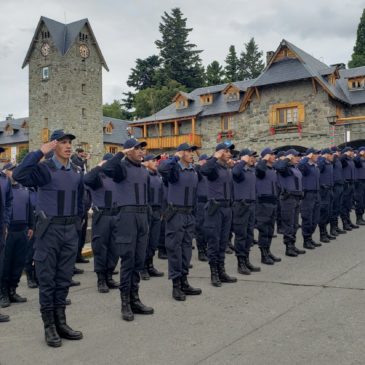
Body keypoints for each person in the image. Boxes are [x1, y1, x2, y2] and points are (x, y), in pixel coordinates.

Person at [12, 130, 84, 347]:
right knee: (48, 280)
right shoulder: (44, 169)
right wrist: (38, 153)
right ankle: (49, 327)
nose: (68, 146)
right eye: (63, 142)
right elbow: (19, 175)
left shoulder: (77, 170)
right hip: (49, 232)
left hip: (69, 231)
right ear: (54, 146)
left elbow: (80, 199)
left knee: (63, 279)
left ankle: (61, 323)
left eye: (70, 142)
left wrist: (77, 222)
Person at [101, 139, 154, 321]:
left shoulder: (143, 170)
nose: (141, 151)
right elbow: (107, 169)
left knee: (139, 260)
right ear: (128, 151)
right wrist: (121, 153)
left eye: (142, 149)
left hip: (142, 216)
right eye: (137, 149)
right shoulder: (121, 167)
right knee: (128, 260)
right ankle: (125, 303)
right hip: (126, 217)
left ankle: (135, 299)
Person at [158, 143, 202, 300]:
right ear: (181, 153)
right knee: (175, 250)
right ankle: (176, 286)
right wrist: (175, 157)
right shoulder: (174, 170)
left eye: (192, 151)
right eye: (188, 151)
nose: (192, 154)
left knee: (186, 250)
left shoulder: (193, 171)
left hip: (189, 214)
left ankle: (184, 281)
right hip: (175, 214)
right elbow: (162, 169)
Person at [201, 141, 237, 287]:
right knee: (214, 242)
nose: (230, 154)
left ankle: (221, 271)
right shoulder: (213, 167)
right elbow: (204, 170)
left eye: (230, 151)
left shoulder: (226, 168)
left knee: (223, 242)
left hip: (227, 208)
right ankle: (214, 273)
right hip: (215, 209)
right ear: (220, 152)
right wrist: (214, 157)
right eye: (227, 151)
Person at [83, 153, 119, 293]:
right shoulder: (97, 178)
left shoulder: (116, 177)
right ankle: (101, 279)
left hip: (116, 215)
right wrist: (99, 167)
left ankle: (109, 276)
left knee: (114, 249)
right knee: (101, 248)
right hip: (102, 215)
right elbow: (87, 179)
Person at [0, 163, 33, 307]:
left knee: (19, 263)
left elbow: (29, 208)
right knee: (5, 265)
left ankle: (13, 290)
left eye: (15, 171)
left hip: (22, 230)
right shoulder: (4, 188)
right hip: (8, 231)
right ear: (6, 172)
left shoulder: (24, 188)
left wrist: (31, 226)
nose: (13, 173)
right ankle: (3, 294)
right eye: (10, 171)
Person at [232, 149, 261, 275]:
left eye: (254, 157)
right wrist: (242, 161)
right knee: (241, 235)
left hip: (251, 205)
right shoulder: (239, 170)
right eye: (251, 157)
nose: (253, 159)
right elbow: (235, 171)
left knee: (249, 235)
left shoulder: (252, 170)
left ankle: (247, 259)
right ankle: (240, 263)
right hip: (241, 205)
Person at [275, 149, 305, 257]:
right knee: (288, 224)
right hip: (288, 198)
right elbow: (279, 167)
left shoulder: (295, 168)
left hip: (296, 198)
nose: (299, 158)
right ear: (291, 157)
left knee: (295, 224)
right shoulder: (284, 168)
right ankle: (288, 247)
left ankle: (292, 245)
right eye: (296, 156)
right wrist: (287, 158)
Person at [255, 148, 281, 264]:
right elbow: (259, 169)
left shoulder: (272, 169)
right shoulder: (261, 169)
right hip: (263, 203)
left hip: (273, 201)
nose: (274, 156)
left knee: (270, 230)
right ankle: (263, 255)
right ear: (266, 157)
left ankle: (268, 251)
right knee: (264, 230)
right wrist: (263, 159)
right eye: (272, 154)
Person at [140, 154, 164, 280]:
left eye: (157, 160)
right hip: (146, 210)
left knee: (154, 241)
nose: (156, 162)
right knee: (145, 241)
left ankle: (150, 265)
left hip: (157, 211)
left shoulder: (159, 176)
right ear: (146, 162)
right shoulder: (144, 175)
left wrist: (162, 211)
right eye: (153, 160)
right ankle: (142, 268)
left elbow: (162, 194)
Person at [298, 148, 322, 249]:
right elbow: (300, 165)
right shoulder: (305, 166)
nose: (318, 156)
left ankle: (310, 237)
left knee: (315, 218)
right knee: (307, 218)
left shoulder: (315, 166)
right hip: (308, 195)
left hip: (316, 193)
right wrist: (306, 158)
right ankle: (306, 240)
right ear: (310, 155)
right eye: (315, 154)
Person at [317, 149, 336, 243]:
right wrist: (322, 158)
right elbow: (317, 172)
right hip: (323, 190)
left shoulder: (329, 163)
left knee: (329, 212)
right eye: (331, 154)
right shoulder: (321, 162)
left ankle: (326, 232)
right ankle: (322, 234)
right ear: (326, 155)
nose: (332, 156)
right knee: (323, 213)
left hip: (330, 189)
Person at [340, 147, 359, 231]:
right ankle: (345, 223)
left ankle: (348, 221)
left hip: (351, 183)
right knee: (344, 204)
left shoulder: (351, 160)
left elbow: (358, 162)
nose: (352, 152)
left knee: (348, 204)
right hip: (346, 184)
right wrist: (344, 154)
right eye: (350, 151)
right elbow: (340, 159)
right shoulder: (343, 160)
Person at [195, 154, 209, 262]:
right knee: (201, 228)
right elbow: (197, 169)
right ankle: (201, 251)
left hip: (209, 202)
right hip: (200, 203)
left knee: (207, 228)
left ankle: (206, 248)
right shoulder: (198, 171)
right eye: (206, 160)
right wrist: (200, 164)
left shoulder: (207, 173)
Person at [330, 146, 347, 235]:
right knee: (334, 207)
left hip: (340, 185)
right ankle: (332, 228)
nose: (339, 153)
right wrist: (334, 156)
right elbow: (331, 162)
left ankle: (336, 226)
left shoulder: (338, 160)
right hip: (335, 186)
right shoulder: (332, 160)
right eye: (337, 151)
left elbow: (345, 164)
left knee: (338, 207)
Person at [353, 147, 365, 225]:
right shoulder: (358, 160)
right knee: (359, 200)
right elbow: (355, 160)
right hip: (359, 182)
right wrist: (359, 154)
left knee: (363, 201)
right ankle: (358, 218)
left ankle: (361, 217)